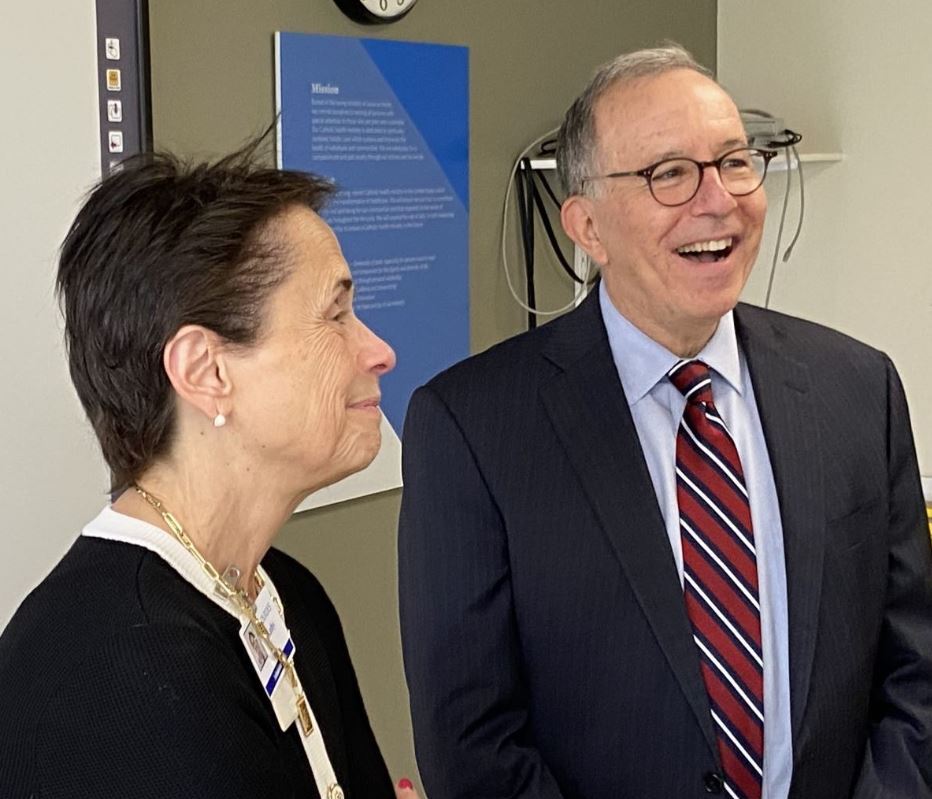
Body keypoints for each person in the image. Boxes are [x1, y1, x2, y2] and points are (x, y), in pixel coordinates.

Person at [398, 45, 932, 799]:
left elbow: (915, 672)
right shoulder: (473, 427)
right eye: (668, 173)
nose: (718, 200)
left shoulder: (859, 388)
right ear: (585, 224)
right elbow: (472, 741)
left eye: (734, 162)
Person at [0, 137, 420, 799]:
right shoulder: (123, 668)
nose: (380, 351)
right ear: (206, 370)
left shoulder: (285, 592)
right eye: (335, 313)